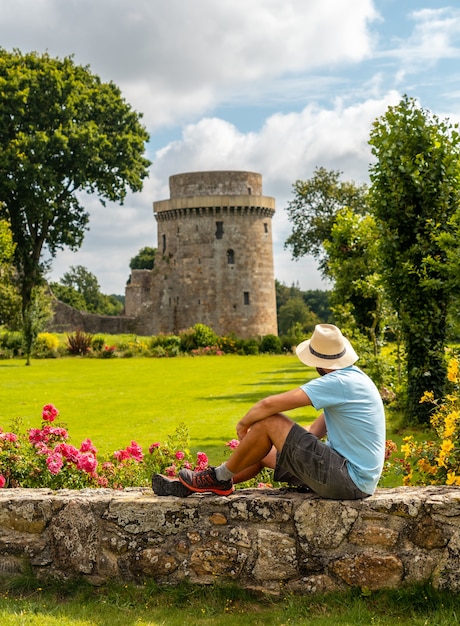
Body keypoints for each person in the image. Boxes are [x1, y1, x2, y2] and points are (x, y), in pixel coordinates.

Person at [152, 324, 386, 500]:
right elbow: (314, 432)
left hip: (347, 480)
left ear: (318, 362)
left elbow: (269, 406)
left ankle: (217, 478)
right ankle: (209, 482)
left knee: (270, 423)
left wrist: (245, 425)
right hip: (351, 479)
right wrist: (271, 443)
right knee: (262, 450)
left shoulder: (339, 382)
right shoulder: (354, 380)